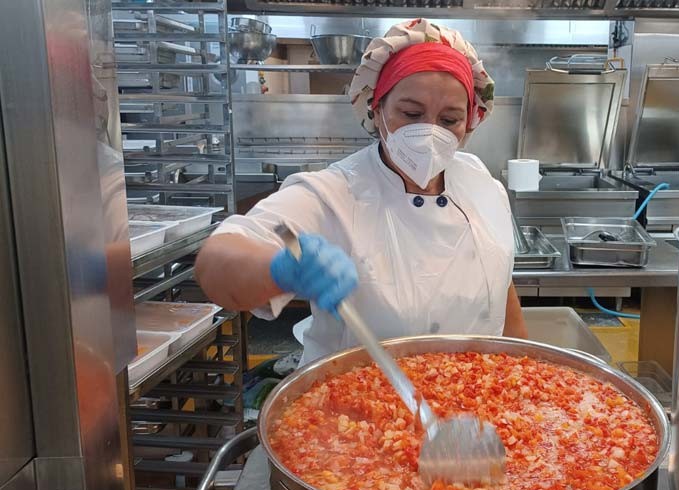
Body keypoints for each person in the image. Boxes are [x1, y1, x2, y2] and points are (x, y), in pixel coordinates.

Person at [195, 19, 527, 366]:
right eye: (411, 113)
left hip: (482, 402)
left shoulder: (482, 184)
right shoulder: (333, 193)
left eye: (449, 120)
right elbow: (216, 262)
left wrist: (527, 382)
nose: (429, 133)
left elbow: (502, 292)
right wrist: (277, 269)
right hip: (354, 411)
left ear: (472, 118)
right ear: (376, 105)